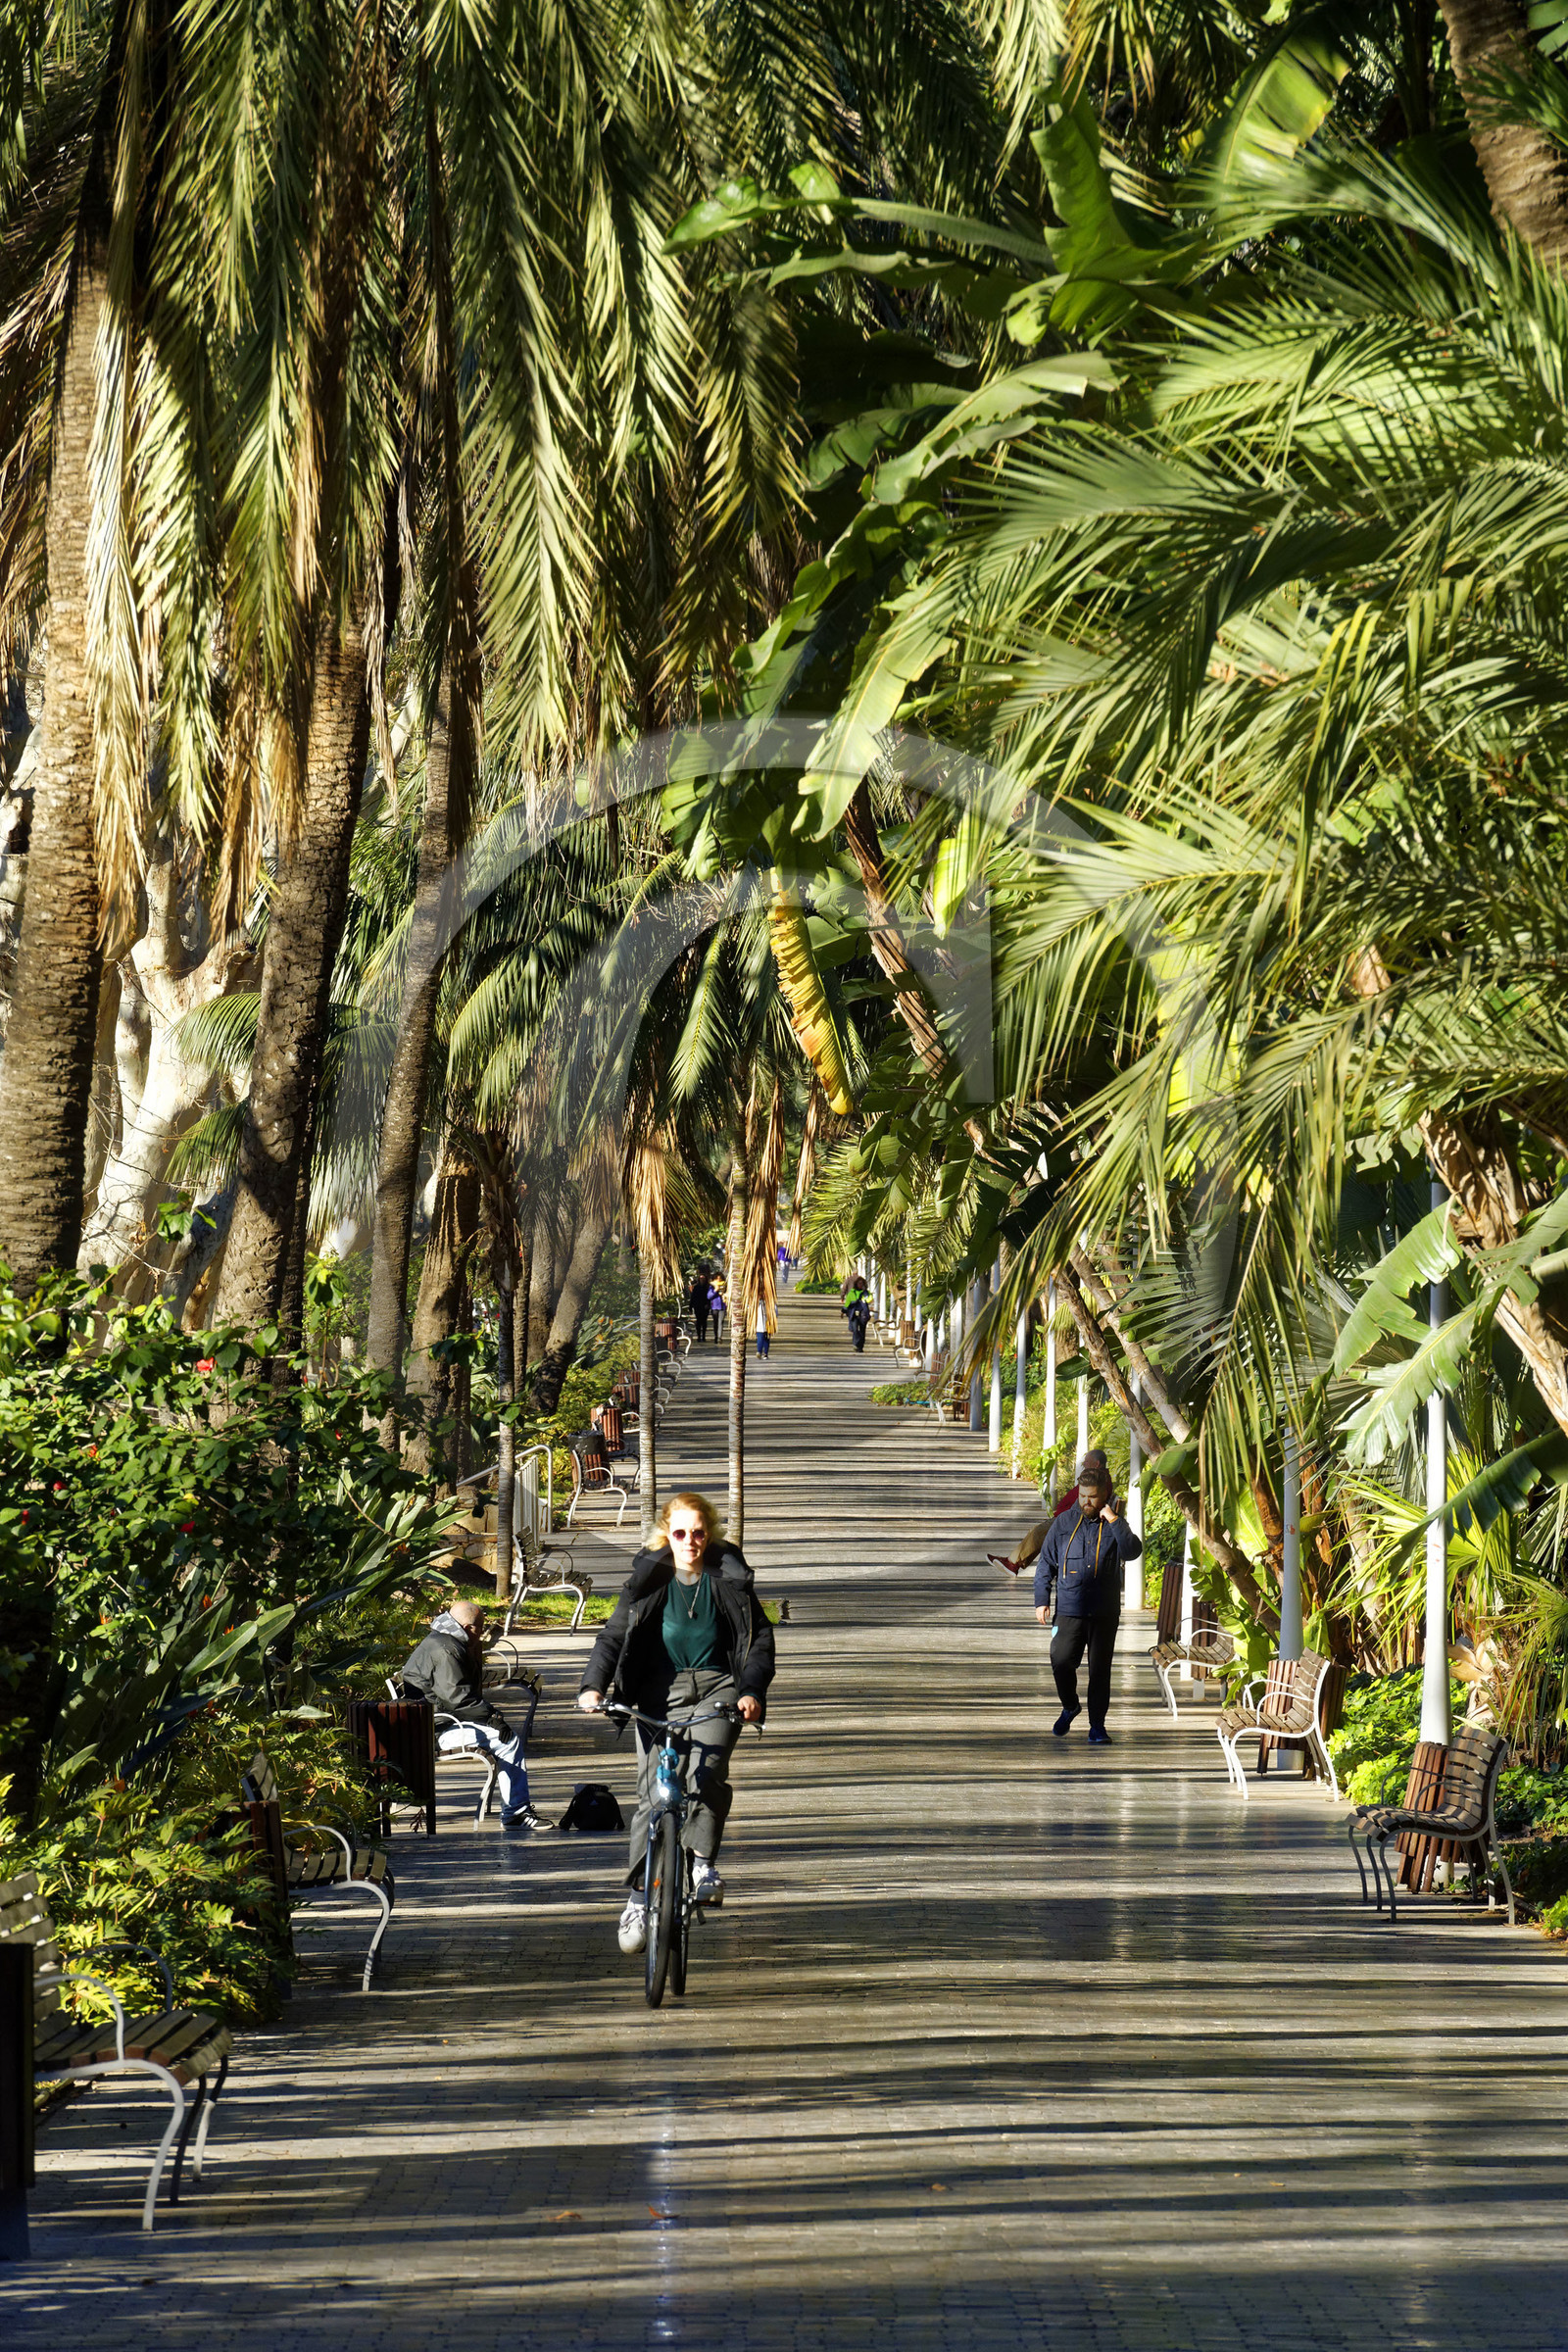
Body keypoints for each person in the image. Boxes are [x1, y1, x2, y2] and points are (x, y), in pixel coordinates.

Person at [577, 1490, 775, 1955]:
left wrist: (750, 1692)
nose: (690, 1541)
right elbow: (613, 1636)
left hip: (716, 1688)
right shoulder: (648, 1579)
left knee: (705, 1773)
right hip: (656, 1694)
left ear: (711, 1533)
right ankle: (637, 1898)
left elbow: (760, 1640)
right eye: (680, 1532)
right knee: (651, 1796)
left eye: (698, 1533)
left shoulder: (729, 1578)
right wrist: (593, 1687)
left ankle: (703, 1863)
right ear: (667, 1534)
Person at [402, 1599, 548, 1829]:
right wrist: (493, 1718)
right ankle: (515, 1813)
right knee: (507, 1741)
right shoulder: (446, 1649)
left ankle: (515, 1810)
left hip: (432, 1720)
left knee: (503, 1737)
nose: (481, 1635)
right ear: (469, 1628)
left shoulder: (443, 1640)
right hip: (435, 1728)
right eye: (480, 1629)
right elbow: (458, 1698)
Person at [1031, 1449, 1141, 1745]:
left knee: (1099, 1671)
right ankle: (1070, 1705)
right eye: (1082, 1496)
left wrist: (1115, 1520)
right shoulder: (1064, 1523)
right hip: (1069, 1608)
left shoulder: (1116, 1522)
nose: (1086, 1503)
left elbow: (1132, 1551)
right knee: (1061, 1659)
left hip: (1103, 1612)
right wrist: (1042, 1598)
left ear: (1104, 1494)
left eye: (1092, 1497)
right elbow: (1046, 1564)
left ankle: (1097, 1727)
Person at [689, 1269, 710, 1344]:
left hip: (705, 1307)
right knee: (698, 1321)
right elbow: (693, 1297)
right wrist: (690, 1307)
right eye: (700, 1278)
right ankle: (698, 1336)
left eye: (703, 1278)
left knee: (704, 1322)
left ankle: (703, 1336)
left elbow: (710, 1297)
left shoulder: (708, 1287)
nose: (702, 1280)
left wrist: (708, 1305)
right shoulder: (696, 1287)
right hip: (697, 1306)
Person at [709, 1275, 726, 1344]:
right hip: (714, 1306)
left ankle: (719, 1337)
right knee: (715, 1322)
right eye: (717, 1278)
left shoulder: (725, 1285)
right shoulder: (712, 1286)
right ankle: (716, 1336)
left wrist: (725, 1295)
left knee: (720, 1322)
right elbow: (709, 1296)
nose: (719, 1279)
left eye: (720, 1278)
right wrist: (715, 1290)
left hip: (722, 1306)